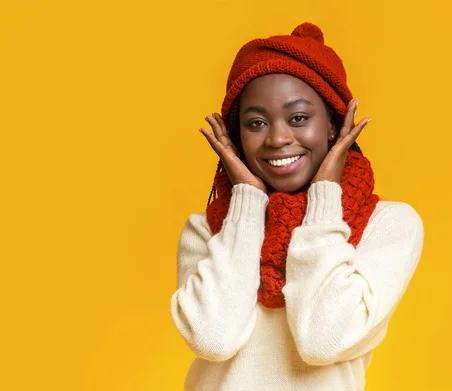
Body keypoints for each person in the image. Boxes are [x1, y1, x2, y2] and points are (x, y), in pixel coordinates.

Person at [170, 22, 425, 391]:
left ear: (335, 125)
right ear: (236, 135)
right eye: (256, 123)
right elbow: (214, 338)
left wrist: (324, 200)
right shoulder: (208, 230)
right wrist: (247, 204)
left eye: (299, 118)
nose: (277, 138)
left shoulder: (388, 225)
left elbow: (324, 341)